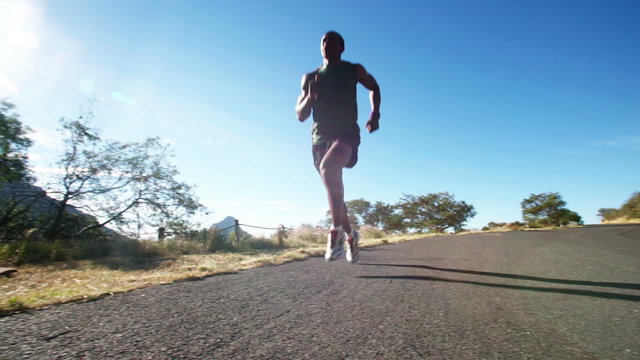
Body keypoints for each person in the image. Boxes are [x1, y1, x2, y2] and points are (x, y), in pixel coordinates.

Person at [295, 31, 381, 263]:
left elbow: (374, 87)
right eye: (323, 41)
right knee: (334, 189)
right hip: (320, 138)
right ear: (320, 46)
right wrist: (310, 98)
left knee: (329, 169)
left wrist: (374, 114)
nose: (327, 44)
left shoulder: (354, 70)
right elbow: (300, 115)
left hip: (346, 134)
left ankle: (335, 234)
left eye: (332, 41)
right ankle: (352, 236)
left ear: (342, 47)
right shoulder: (311, 77)